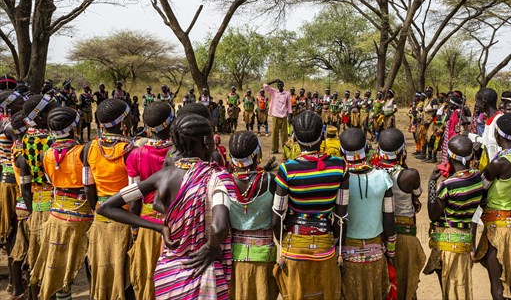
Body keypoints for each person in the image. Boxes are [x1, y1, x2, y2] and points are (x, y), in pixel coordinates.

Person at [98, 114, 235, 300]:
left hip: (169, 274)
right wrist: (212, 246)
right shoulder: (217, 178)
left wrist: (160, 227)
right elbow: (219, 227)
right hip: (202, 270)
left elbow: (106, 207)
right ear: (206, 141)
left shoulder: (161, 176)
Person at [272, 111, 348, 299]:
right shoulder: (339, 166)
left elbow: (277, 215)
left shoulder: (287, 169)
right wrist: (336, 244)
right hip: (325, 243)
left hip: (294, 243)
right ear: (321, 136)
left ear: (295, 139)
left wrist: (281, 242)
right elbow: (341, 216)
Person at [29, 107, 93, 300]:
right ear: (75, 127)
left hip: (56, 212)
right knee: (90, 262)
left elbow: (51, 180)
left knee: (59, 265)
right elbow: (89, 185)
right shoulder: (83, 151)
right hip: (83, 214)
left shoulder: (45, 155)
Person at [474, 113, 511, 300]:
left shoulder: (499, 163)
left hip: (498, 228)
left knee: (498, 286)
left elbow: (480, 187)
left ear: (497, 136)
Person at [83, 98, 135, 300]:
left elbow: (89, 188)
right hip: (126, 219)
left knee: (101, 270)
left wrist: (96, 210)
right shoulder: (130, 150)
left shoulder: (89, 148)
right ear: (124, 122)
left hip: (100, 217)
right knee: (125, 275)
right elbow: (133, 190)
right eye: (130, 116)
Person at [125, 102, 174, 300]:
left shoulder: (136, 155)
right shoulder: (180, 152)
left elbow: (134, 197)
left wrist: (134, 231)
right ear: (171, 123)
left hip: (147, 224)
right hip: (175, 223)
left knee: (148, 276)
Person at [424, 135, 483, 300]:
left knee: (451, 289)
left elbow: (432, 214)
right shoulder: (477, 177)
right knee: (458, 286)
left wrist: (431, 184)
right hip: (464, 238)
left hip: (449, 242)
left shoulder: (448, 185)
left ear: (449, 157)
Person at [339, 128, 395, 300]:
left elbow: (339, 220)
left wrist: (337, 251)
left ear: (341, 151)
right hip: (376, 255)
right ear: (366, 148)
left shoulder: (340, 179)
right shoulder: (383, 177)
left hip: (347, 257)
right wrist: (391, 254)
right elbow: (389, 221)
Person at [372, 128, 425, 300]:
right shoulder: (409, 175)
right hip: (405, 236)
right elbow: (417, 194)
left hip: (379, 236)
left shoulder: (373, 172)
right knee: (406, 285)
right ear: (403, 151)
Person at [228, 131, 278, 300]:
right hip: (265, 257)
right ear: (257, 154)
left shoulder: (224, 181)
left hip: (234, 256)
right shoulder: (270, 181)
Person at [20, 94, 58, 293]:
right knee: (51, 257)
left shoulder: (26, 138)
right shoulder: (52, 140)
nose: (56, 110)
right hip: (54, 202)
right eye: (52, 109)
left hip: (35, 202)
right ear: (41, 116)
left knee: (35, 255)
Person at [7, 111, 29, 299]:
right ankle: (21, 287)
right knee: (26, 248)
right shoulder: (24, 149)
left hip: (21, 200)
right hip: (29, 201)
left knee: (19, 245)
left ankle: (16, 286)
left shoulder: (17, 144)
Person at [468, 88, 503, 163]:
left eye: (477, 101)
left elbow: (500, 148)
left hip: (497, 166)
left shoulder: (499, 120)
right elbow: (485, 141)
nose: (476, 105)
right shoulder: (488, 118)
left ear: (483, 103)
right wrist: (466, 134)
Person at [262, 79, 291, 154]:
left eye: (281, 85)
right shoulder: (274, 92)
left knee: (284, 134)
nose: (280, 86)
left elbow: (289, 105)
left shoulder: (287, 93)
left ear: (283, 85)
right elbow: (265, 85)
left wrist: (290, 114)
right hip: (275, 115)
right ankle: (274, 149)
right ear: (277, 86)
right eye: (278, 85)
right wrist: (274, 81)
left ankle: (285, 149)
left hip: (283, 115)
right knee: (275, 133)